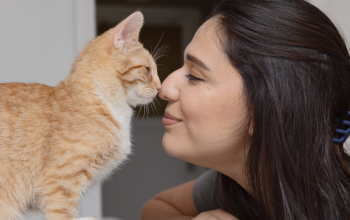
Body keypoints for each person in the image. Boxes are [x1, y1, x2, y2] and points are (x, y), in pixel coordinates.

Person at [140, 0, 350, 219]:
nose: (164, 88)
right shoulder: (231, 185)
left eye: (195, 76)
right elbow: (157, 208)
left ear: (264, 111)